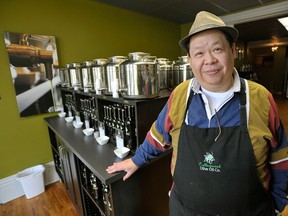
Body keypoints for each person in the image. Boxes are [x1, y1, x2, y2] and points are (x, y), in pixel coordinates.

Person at [107, 11, 288, 215]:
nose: (209, 60)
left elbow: (280, 157)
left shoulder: (260, 98)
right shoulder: (180, 95)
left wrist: (279, 203)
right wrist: (135, 160)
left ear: (233, 51)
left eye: (217, 49)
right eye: (199, 53)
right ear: (190, 59)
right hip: (185, 210)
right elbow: (158, 135)